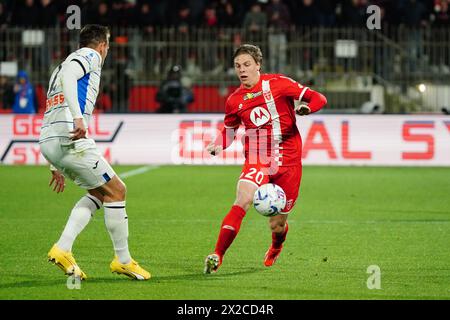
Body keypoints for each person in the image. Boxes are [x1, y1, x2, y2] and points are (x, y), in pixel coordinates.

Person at [39, 24, 150, 281]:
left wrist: (53, 164)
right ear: (103, 45)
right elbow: (70, 74)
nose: (106, 50)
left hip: (51, 140)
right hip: (71, 138)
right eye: (107, 46)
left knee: (99, 193)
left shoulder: (57, 68)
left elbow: (51, 107)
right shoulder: (88, 56)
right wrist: (78, 118)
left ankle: (63, 248)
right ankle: (122, 260)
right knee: (117, 190)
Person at [204, 44, 327, 274]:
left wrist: (307, 110)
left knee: (276, 225)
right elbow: (229, 131)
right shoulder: (234, 100)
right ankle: (217, 255)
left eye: (247, 64)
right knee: (242, 199)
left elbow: (318, 98)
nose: (242, 70)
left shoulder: (279, 84)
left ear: (258, 65)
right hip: (258, 157)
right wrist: (217, 145)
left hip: (289, 161)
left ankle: (275, 247)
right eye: (238, 66)